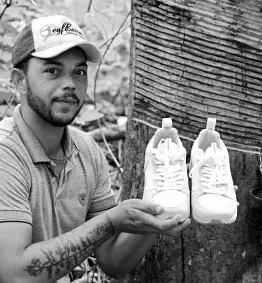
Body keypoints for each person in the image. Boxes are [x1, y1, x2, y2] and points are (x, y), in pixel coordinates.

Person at [0, 15, 191, 283]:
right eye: (53, 71)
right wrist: (111, 221)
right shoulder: (5, 153)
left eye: (78, 72)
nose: (69, 84)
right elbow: (13, 274)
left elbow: (113, 262)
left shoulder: (85, 148)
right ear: (19, 81)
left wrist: (157, 211)